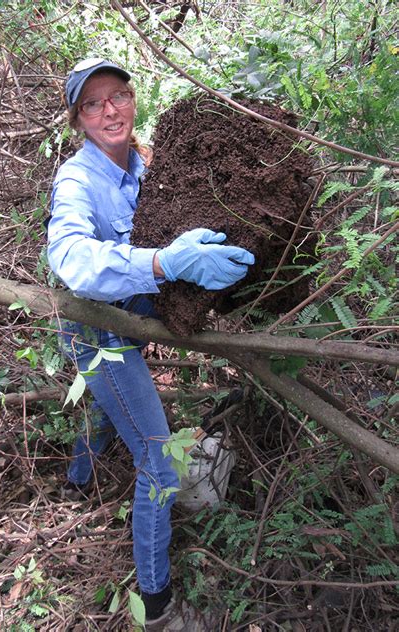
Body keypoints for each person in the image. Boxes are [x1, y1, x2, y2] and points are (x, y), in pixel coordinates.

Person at [47, 57, 255, 630]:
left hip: (138, 319)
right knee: (160, 466)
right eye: (92, 103)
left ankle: (77, 482)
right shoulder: (77, 179)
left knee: (111, 407)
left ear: (133, 99)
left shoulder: (147, 163)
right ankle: (158, 608)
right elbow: (69, 259)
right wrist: (163, 261)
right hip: (98, 330)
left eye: (117, 96)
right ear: (78, 119)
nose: (109, 110)